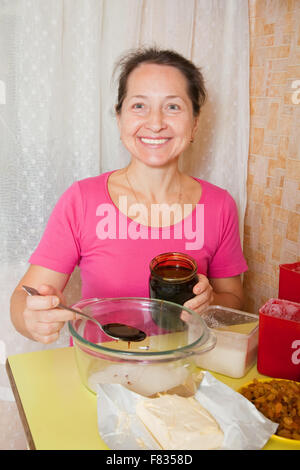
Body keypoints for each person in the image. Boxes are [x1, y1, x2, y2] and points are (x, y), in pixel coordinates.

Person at [10, 47, 248, 345]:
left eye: (173, 107)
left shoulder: (220, 205)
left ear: (195, 123)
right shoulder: (82, 200)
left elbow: (235, 298)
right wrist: (32, 318)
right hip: (99, 372)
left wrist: (210, 304)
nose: (156, 122)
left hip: (186, 371)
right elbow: (22, 299)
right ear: (119, 117)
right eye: (139, 105)